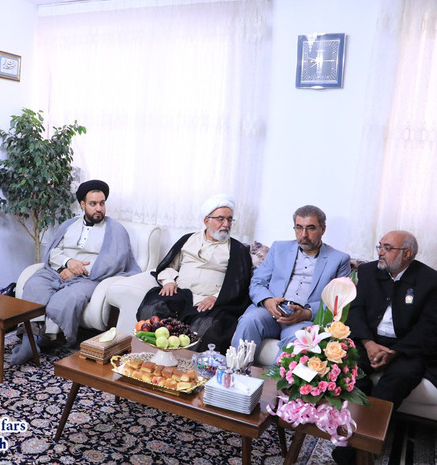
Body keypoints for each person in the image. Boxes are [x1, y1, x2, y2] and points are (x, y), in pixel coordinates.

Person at [332, 230, 437, 465]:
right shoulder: (368, 272)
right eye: (380, 246)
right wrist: (368, 343)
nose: (380, 252)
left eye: (387, 248)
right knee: (350, 368)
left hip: (406, 348)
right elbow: (355, 311)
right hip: (368, 339)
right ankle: (354, 431)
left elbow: (429, 327)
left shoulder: (430, 280)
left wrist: (395, 352)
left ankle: (359, 445)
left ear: (407, 254)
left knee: (400, 377)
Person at [11, 179, 140, 365]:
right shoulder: (69, 224)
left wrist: (76, 271)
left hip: (90, 277)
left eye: (102, 203)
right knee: (34, 285)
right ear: (82, 204)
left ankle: (42, 340)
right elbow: (54, 250)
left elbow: (113, 261)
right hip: (58, 271)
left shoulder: (115, 230)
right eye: (93, 204)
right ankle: (30, 338)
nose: (99, 209)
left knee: (68, 298)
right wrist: (68, 263)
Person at [135, 194, 252, 353]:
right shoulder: (188, 239)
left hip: (212, 302)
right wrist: (169, 281)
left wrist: (216, 297)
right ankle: (153, 356)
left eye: (229, 220)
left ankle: (186, 365)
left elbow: (239, 284)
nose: (226, 224)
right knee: (151, 309)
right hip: (181, 294)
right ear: (206, 220)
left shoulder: (238, 250)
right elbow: (168, 265)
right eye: (221, 219)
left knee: (207, 327)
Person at [231, 205, 351, 357]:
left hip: (303, 320)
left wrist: (307, 313)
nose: (304, 234)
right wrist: (267, 301)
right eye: (299, 227)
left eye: (311, 228)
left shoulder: (339, 259)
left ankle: (275, 374)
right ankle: (237, 369)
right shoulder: (279, 248)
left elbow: (339, 302)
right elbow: (257, 282)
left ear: (323, 229)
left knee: (300, 340)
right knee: (249, 321)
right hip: (269, 311)